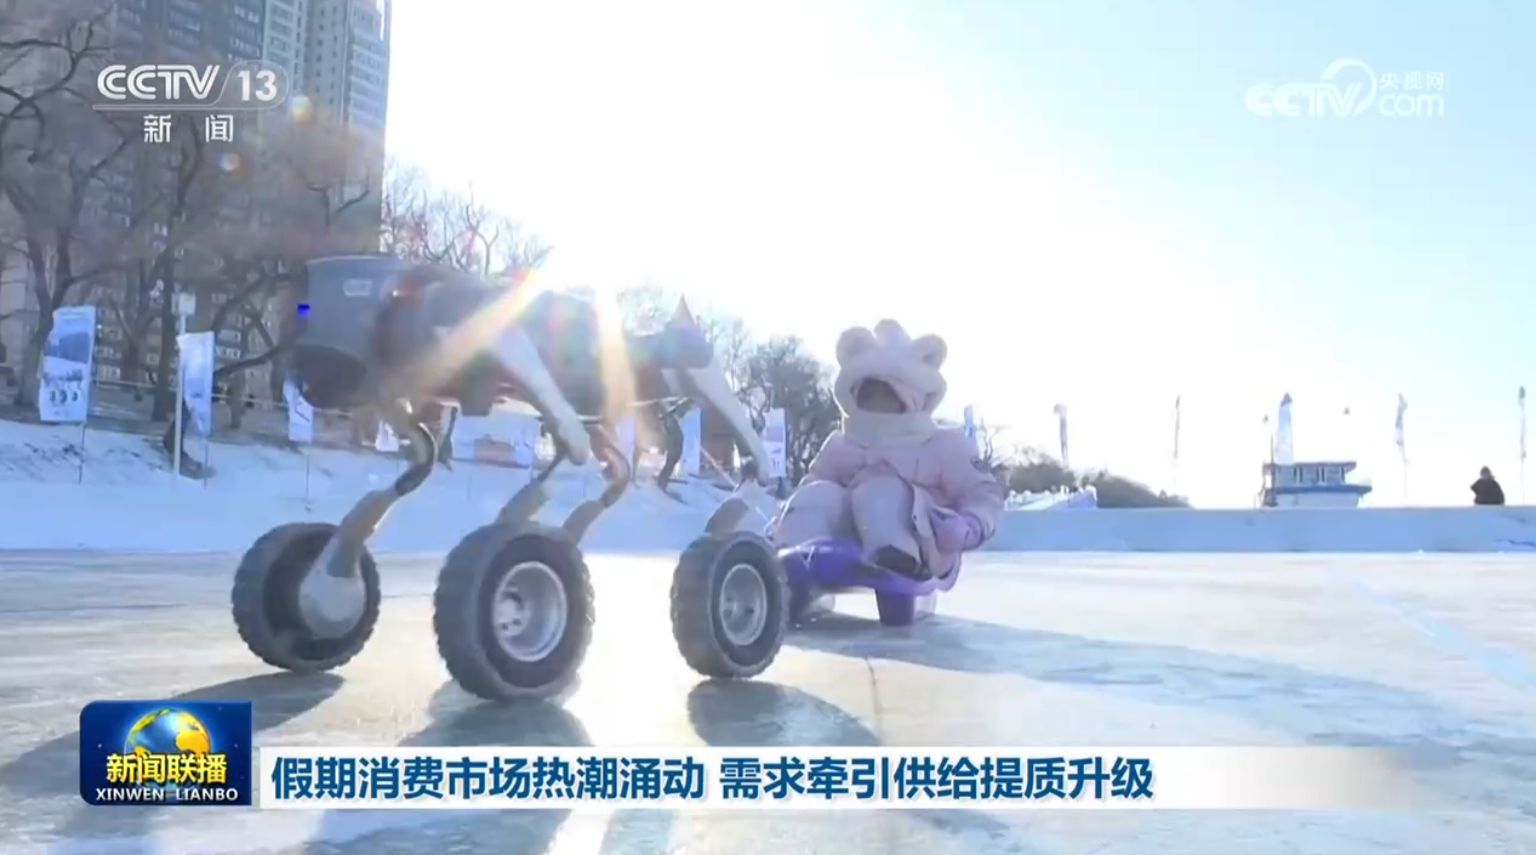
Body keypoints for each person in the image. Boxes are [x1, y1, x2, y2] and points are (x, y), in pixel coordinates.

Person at [770, 319, 1005, 580]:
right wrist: (789, 515)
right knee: (818, 495)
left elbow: (981, 492)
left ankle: (895, 555)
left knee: (880, 492)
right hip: (847, 537)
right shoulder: (841, 445)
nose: (876, 402)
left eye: (887, 394)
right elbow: (813, 482)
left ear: (910, 398)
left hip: (923, 541)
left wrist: (969, 526)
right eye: (868, 395)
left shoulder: (940, 445)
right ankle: (793, 556)